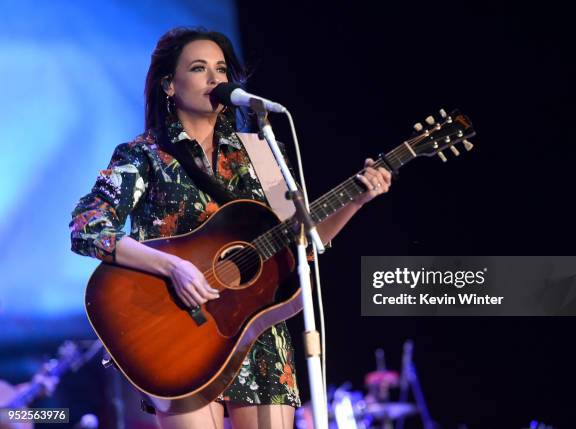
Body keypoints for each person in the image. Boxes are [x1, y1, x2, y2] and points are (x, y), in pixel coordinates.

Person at [69, 26, 392, 429]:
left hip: (259, 338)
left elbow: (303, 243)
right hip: (182, 338)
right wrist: (174, 267)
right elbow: (87, 226)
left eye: (221, 69)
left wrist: (358, 199)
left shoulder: (260, 151)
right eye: (200, 68)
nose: (214, 79)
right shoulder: (143, 155)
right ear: (169, 85)